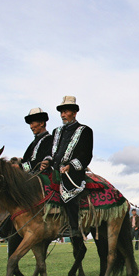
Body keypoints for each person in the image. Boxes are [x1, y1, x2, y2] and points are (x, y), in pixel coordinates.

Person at [40, 96, 93, 242]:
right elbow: (52, 152)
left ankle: (74, 228)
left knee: (68, 193)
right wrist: (46, 160)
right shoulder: (56, 131)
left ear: (74, 113)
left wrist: (70, 166)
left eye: (66, 111)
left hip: (73, 172)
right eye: (61, 112)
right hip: (56, 170)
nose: (63, 115)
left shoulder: (85, 130)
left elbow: (86, 154)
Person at [21, 107, 53, 173]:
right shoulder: (33, 143)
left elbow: (41, 160)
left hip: (43, 175)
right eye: (30, 124)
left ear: (41, 123)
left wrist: (20, 167)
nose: (31, 127)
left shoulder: (50, 139)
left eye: (32, 123)